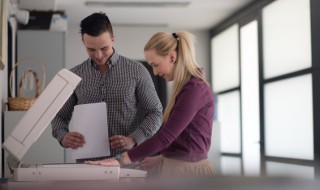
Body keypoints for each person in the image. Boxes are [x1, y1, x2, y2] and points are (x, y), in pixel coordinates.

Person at [86, 31, 215, 177]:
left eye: (156, 65)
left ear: (172, 57)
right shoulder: (186, 88)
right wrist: (162, 158)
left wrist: (120, 160)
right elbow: (186, 138)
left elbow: (165, 138)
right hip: (178, 168)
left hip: (188, 173)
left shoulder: (195, 89)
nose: (155, 72)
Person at [51, 12, 163, 163]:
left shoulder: (137, 71)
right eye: (91, 49)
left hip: (125, 164)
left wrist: (133, 139)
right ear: (83, 42)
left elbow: (155, 112)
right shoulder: (74, 75)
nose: (98, 55)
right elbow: (58, 116)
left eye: (104, 48)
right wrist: (63, 137)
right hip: (86, 166)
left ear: (113, 39)